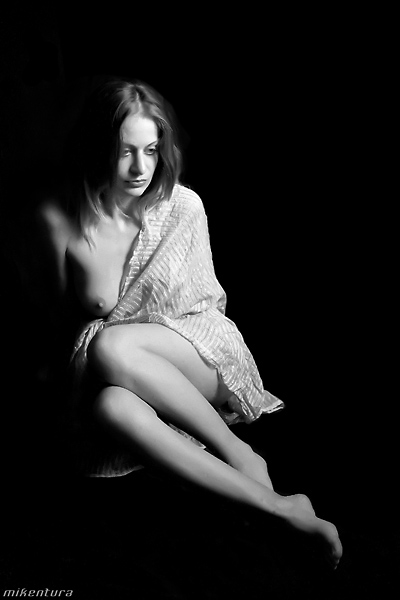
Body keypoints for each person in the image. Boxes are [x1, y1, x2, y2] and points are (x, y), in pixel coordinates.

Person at [37, 75, 342, 569]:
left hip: (199, 350)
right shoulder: (59, 219)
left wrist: (117, 341)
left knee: (110, 345)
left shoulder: (181, 206)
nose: (140, 167)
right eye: (125, 151)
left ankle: (239, 452)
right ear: (97, 146)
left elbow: (200, 307)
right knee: (110, 408)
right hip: (123, 374)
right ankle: (278, 510)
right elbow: (59, 322)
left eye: (151, 150)